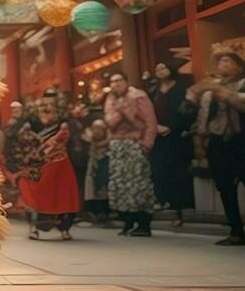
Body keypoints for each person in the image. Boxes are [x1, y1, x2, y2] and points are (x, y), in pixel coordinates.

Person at [188, 52, 245, 250]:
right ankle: (236, 231)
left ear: (239, 67)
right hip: (218, 141)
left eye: (227, 61)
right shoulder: (210, 89)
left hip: (243, 140)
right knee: (225, 188)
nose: (222, 64)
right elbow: (202, 116)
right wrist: (202, 138)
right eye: (220, 61)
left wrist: (226, 94)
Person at [11, 97, 81, 240]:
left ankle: (64, 228)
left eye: (50, 106)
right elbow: (19, 144)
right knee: (32, 194)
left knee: (63, 195)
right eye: (42, 106)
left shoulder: (65, 125)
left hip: (59, 165)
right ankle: (34, 228)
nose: (46, 109)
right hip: (36, 166)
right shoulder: (28, 125)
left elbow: (74, 144)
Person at [104, 72, 157, 237]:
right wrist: (121, 111)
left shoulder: (138, 96)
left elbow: (150, 122)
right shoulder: (110, 99)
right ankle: (127, 221)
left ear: (126, 82)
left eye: (119, 80)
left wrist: (147, 144)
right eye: (113, 81)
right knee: (120, 185)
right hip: (117, 145)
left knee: (139, 184)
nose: (116, 84)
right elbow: (109, 123)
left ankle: (144, 223)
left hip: (136, 143)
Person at [148, 60, 194, 227]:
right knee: (159, 171)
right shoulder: (153, 91)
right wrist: (156, 127)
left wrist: (171, 127)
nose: (160, 70)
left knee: (179, 173)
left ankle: (181, 211)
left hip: (177, 135)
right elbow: (148, 113)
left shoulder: (181, 90)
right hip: (158, 136)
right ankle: (167, 204)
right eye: (157, 68)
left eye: (163, 67)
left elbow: (186, 112)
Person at [82, 118, 111, 224]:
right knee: (90, 188)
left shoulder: (108, 144)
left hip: (103, 165)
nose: (97, 131)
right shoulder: (87, 141)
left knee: (102, 187)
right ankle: (92, 212)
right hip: (91, 168)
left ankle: (103, 213)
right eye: (95, 128)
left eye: (99, 128)